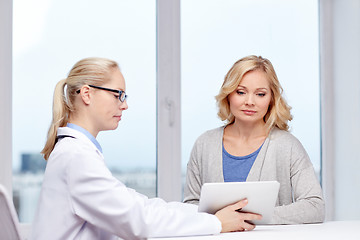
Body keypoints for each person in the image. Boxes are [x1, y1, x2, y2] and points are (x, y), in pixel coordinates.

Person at [31, 57, 262, 240]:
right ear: (87, 93)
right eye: (118, 94)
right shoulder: (75, 157)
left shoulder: (78, 153)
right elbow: (137, 220)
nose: (124, 104)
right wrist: (216, 223)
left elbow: (139, 205)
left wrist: (208, 214)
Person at [183, 55, 325, 224]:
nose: (250, 102)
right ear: (228, 94)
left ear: (271, 98)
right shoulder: (204, 144)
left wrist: (253, 218)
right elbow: (190, 207)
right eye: (241, 92)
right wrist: (219, 222)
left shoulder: (288, 146)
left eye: (260, 94)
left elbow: (315, 207)